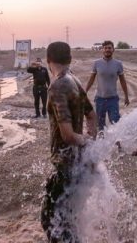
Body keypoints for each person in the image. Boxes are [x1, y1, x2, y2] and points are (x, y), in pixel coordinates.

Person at [40, 42, 97, 242]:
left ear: (48, 61)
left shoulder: (56, 86)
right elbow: (92, 116)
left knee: (50, 220)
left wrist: (85, 142)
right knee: (68, 216)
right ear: (70, 60)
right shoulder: (75, 80)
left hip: (64, 164)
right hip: (76, 161)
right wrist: (90, 144)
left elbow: (68, 135)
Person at [85, 40, 129, 131]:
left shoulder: (118, 64)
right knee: (100, 124)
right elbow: (91, 79)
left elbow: (123, 81)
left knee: (115, 123)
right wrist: (84, 92)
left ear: (113, 49)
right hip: (100, 99)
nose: (107, 50)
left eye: (109, 48)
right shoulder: (96, 63)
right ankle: (102, 143)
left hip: (113, 99)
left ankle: (117, 143)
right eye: (105, 48)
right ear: (102, 50)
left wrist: (126, 96)